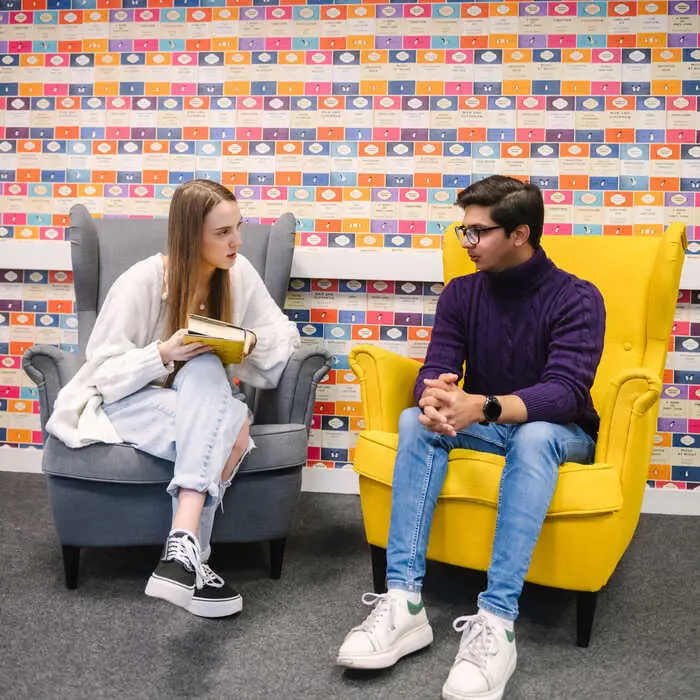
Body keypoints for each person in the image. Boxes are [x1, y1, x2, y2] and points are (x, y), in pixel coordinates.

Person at [337, 175, 606, 699]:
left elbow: (566, 391)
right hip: (485, 423)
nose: (467, 243)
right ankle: (405, 603)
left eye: (478, 233)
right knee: (417, 421)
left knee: (533, 437)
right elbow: (437, 365)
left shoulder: (577, 297)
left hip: (560, 433)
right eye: (463, 231)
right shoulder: (462, 292)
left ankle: (497, 621)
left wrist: (482, 408)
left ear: (521, 233)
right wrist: (435, 398)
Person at [47, 179, 300, 618]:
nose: (236, 241)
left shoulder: (237, 273)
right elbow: (103, 372)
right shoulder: (143, 279)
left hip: (198, 406)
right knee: (232, 423)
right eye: (222, 233)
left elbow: (284, 335)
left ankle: (180, 549)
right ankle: (196, 558)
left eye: (237, 227)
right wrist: (163, 354)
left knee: (205, 371)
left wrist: (249, 341)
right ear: (190, 235)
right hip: (131, 405)